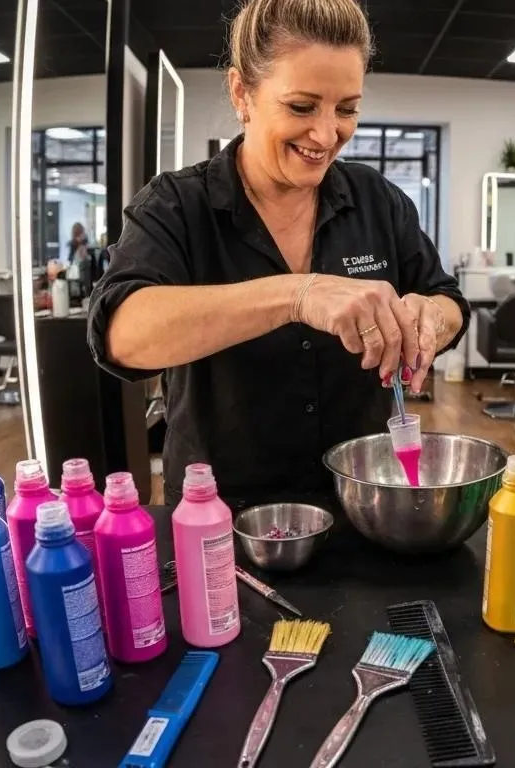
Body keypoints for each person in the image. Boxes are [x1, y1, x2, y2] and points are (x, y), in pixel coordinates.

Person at [88, 0, 468, 504]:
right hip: (223, 512)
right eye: (302, 106)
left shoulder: (377, 199)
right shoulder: (177, 205)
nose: (327, 134)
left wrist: (428, 322)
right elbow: (121, 336)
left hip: (361, 501)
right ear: (242, 93)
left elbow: (447, 300)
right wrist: (297, 295)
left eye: (347, 109)